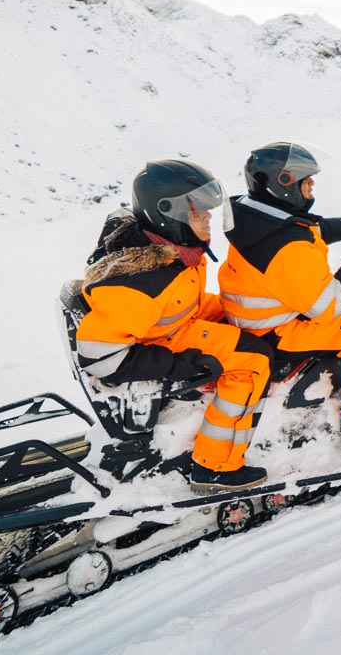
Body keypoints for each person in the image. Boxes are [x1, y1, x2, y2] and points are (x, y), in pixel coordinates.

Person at [74, 158, 274, 491]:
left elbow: (178, 303)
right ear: (169, 217)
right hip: (157, 343)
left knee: (246, 318)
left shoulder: (172, 249)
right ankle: (215, 465)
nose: (208, 217)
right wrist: (182, 364)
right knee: (253, 359)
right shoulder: (141, 283)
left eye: (207, 209)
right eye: (197, 212)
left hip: (172, 323)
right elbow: (100, 358)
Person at [218, 142, 341, 459]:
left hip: (257, 314)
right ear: (284, 184)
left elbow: (308, 230)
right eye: (305, 180)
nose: (311, 185)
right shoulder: (287, 248)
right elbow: (330, 306)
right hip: (275, 330)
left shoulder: (255, 217)